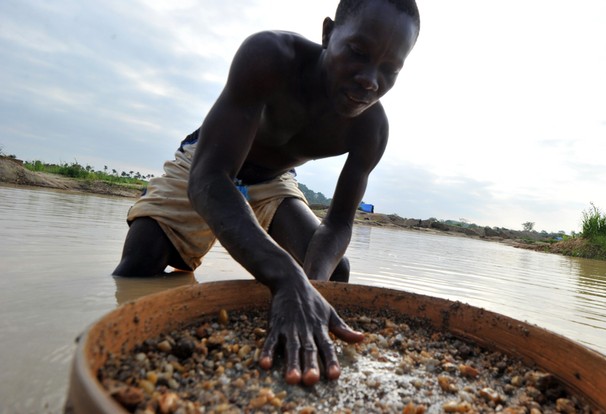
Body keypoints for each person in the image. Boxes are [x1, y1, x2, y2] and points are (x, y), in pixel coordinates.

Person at [113, 0, 420, 386]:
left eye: (390, 69)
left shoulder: (371, 129)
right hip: (211, 160)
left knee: (332, 271)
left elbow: (339, 223)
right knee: (139, 262)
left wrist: (307, 286)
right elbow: (208, 179)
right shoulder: (270, 57)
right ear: (328, 34)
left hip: (274, 178)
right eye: (357, 52)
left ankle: (293, 340)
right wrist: (284, 276)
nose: (370, 81)